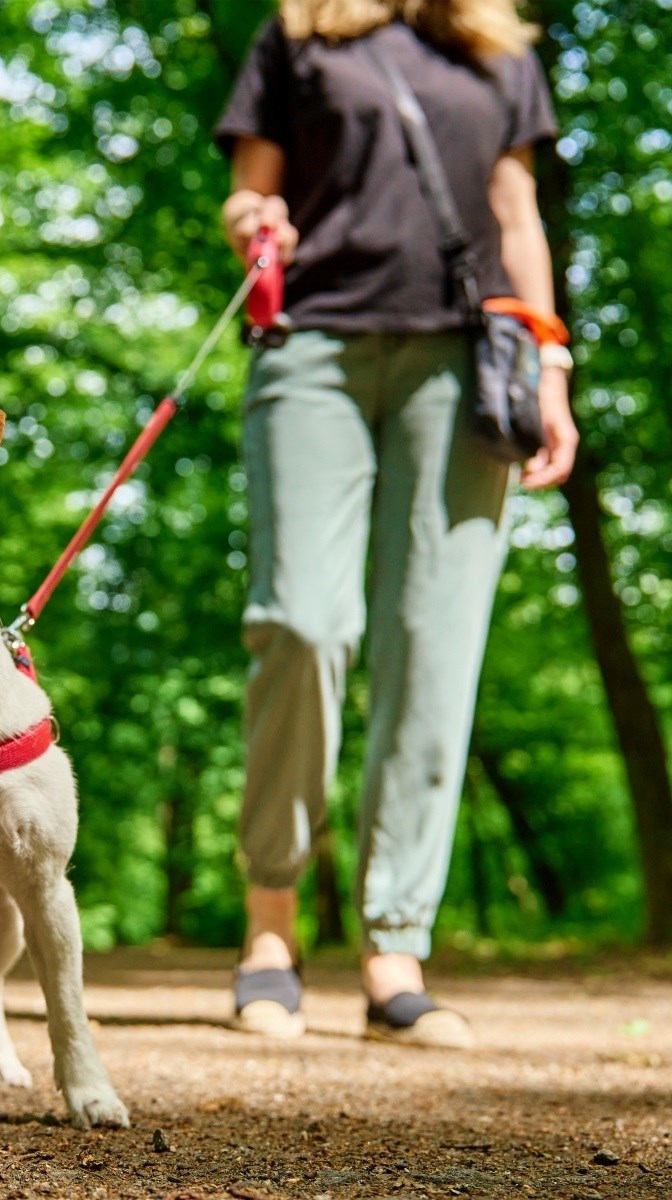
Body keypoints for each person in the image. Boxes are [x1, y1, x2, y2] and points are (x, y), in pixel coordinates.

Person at [215, 0, 578, 1045]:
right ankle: (271, 929)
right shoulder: (302, 32)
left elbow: (516, 215)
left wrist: (550, 362)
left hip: (467, 361)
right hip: (313, 348)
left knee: (434, 643)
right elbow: (251, 189)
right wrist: (255, 222)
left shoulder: (498, 48)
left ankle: (393, 950)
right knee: (302, 622)